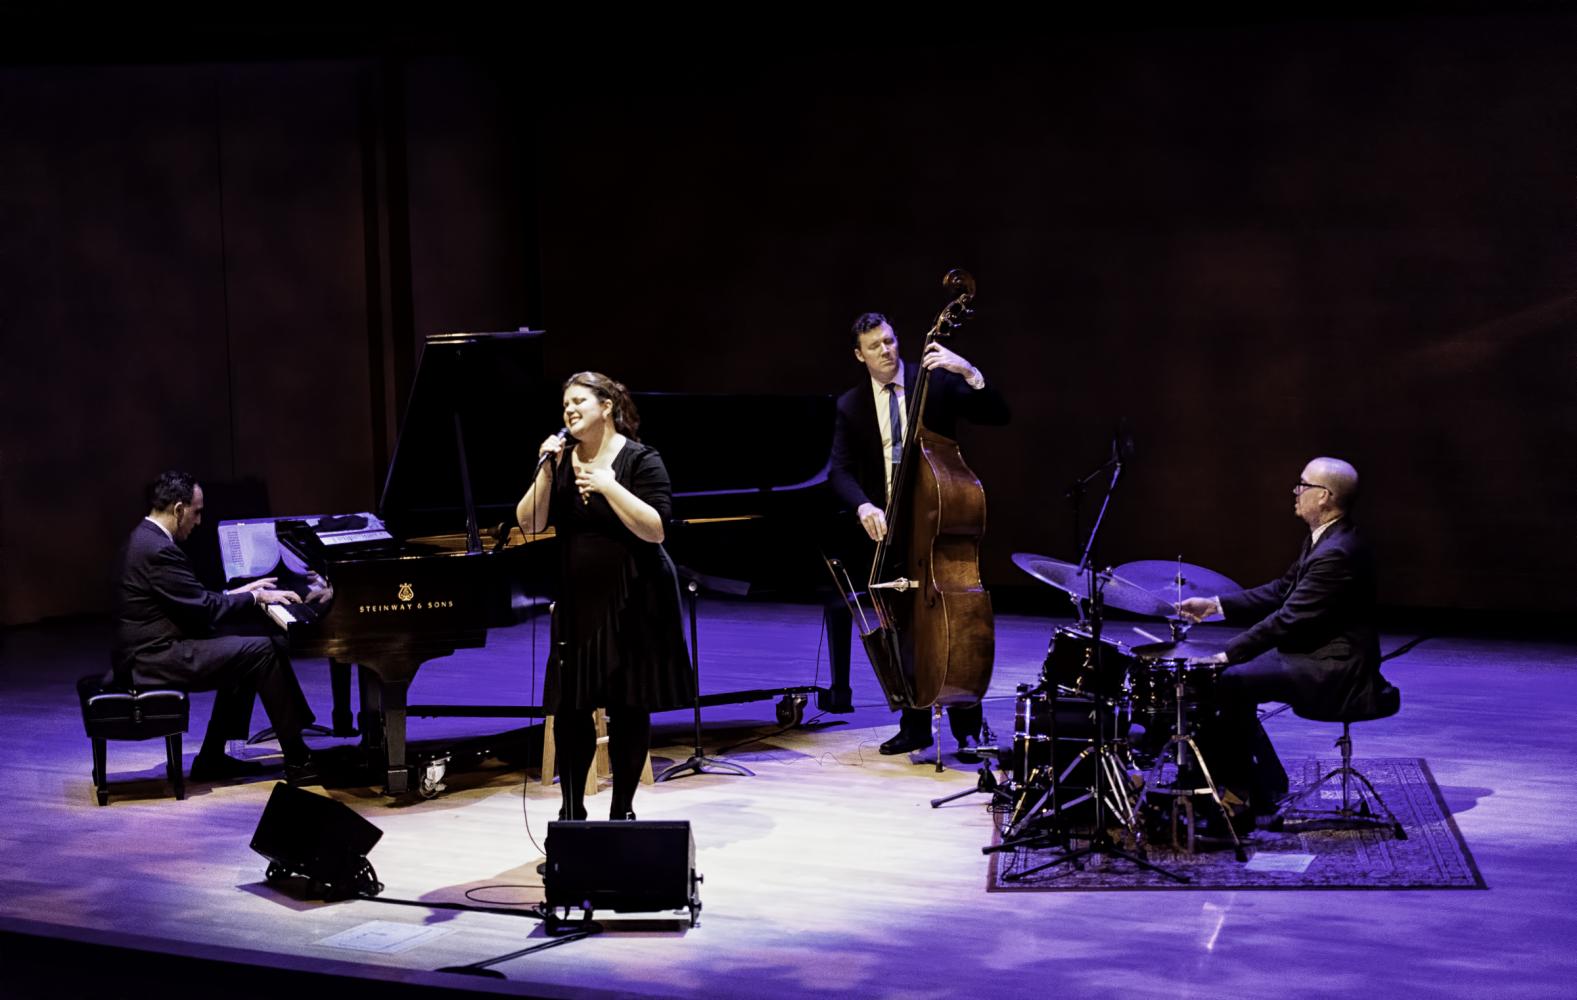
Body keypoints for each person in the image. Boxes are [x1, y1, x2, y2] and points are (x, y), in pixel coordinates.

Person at [826, 312, 1010, 760]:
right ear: (859, 355)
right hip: (890, 530)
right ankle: (914, 725)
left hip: (937, 516)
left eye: (889, 341)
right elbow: (840, 470)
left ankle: (968, 725)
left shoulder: (934, 382)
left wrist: (967, 370)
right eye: (875, 346)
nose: (887, 351)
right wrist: (864, 505)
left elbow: (998, 414)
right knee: (902, 627)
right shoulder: (851, 405)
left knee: (952, 622)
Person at [517, 372, 693, 820]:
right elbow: (531, 523)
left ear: (607, 406)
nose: (569, 410)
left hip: (635, 598)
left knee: (628, 705)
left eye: (579, 401)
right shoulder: (560, 461)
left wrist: (608, 484)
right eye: (565, 405)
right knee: (572, 707)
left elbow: (655, 529)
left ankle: (621, 813)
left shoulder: (640, 460)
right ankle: (572, 811)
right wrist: (545, 470)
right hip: (578, 603)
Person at [1177, 456, 1386, 818]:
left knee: (1227, 680)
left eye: (1302, 485)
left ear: (1324, 496)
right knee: (1225, 681)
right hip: (1318, 651)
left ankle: (1242, 795)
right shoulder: (1327, 537)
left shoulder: (1337, 553)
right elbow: (1281, 590)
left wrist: (1227, 655)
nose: (1295, 491)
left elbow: (1288, 618)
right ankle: (1260, 784)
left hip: (1337, 666)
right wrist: (1215, 606)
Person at [111, 470, 320, 784]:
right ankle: (299, 758)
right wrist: (256, 596)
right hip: (155, 657)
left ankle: (212, 758)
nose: (198, 521)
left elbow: (191, 599)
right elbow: (203, 608)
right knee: (261, 650)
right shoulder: (157, 550)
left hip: (155, 650)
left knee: (250, 652)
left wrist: (241, 593)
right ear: (179, 510)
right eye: (196, 512)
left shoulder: (145, 539)